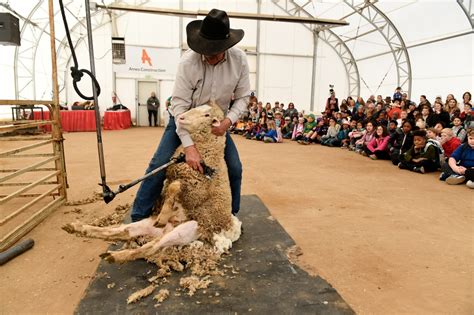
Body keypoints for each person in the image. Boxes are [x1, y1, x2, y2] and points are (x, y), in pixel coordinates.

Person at [130, 9, 250, 222]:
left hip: (215, 123)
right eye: (206, 51)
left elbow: (243, 97)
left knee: (234, 167)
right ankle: (139, 217)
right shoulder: (188, 63)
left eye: (215, 52)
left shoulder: (239, 60)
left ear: (226, 46)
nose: (209, 57)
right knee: (159, 164)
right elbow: (178, 106)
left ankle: (229, 217)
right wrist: (188, 145)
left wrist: (227, 122)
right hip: (184, 120)